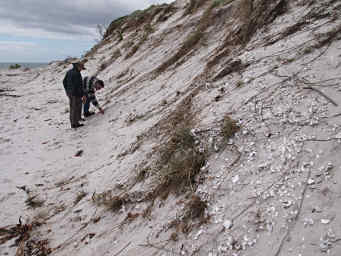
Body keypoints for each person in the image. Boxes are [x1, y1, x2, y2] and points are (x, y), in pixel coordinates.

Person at [63, 61, 86, 128]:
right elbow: (79, 86)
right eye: (81, 68)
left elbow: (64, 82)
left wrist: (67, 91)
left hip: (71, 93)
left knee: (74, 108)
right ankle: (74, 124)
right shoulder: (76, 74)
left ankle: (75, 121)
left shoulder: (69, 72)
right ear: (78, 67)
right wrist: (82, 95)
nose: (82, 69)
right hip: (75, 94)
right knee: (74, 108)